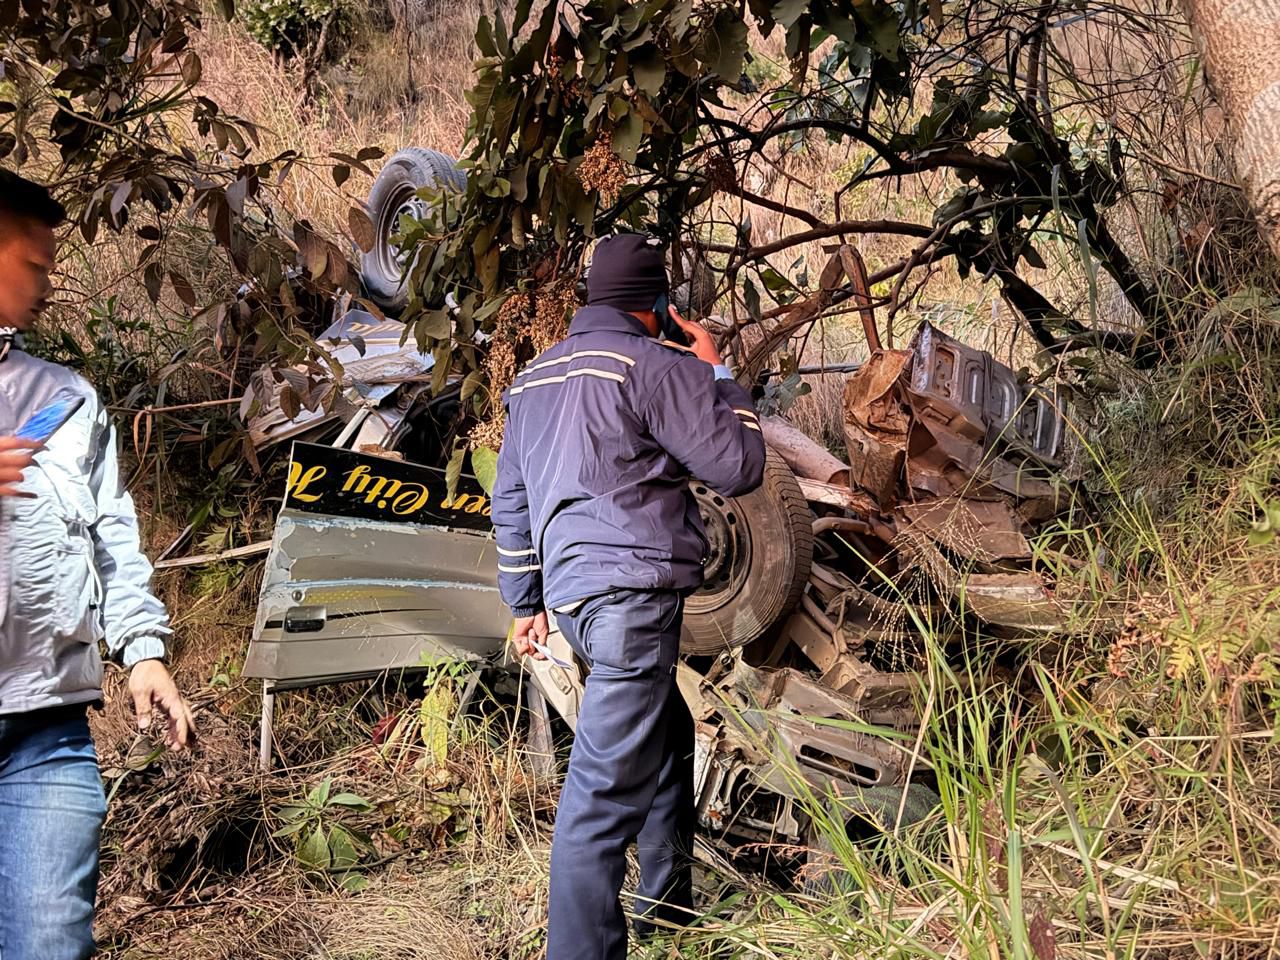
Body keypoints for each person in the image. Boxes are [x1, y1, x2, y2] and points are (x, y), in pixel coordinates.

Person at [491, 232, 766, 960]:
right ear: (659, 307)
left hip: (580, 610)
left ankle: (666, 909)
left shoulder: (532, 381)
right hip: (633, 605)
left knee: (667, 731)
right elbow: (739, 466)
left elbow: (511, 504)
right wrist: (718, 375)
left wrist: (525, 603)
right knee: (596, 807)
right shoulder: (652, 367)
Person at [0, 170, 195, 960]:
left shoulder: (68, 399)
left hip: (45, 732)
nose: (51, 284)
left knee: (48, 944)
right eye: (35, 265)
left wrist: (142, 653)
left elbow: (113, 535)